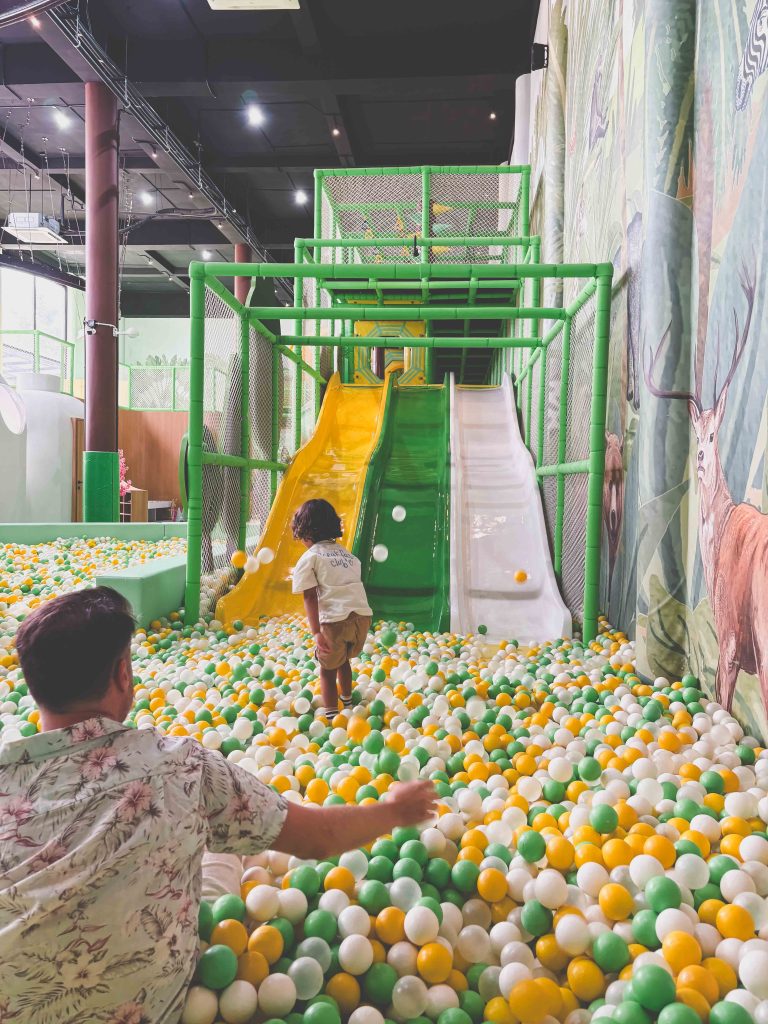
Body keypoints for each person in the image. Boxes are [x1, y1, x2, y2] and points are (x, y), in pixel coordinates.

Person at [0, 587, 437, 1024]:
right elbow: (316, 839)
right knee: (221, 839)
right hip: (151, 1008)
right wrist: (396, 810)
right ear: (123, 674)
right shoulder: (181, 767)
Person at [291, 498, 373, 719]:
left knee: (327, 670)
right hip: (362, 618)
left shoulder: (311, 557)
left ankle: (331, 716)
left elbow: (309, 596)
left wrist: (316, 631)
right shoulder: (348, 555)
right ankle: (347, 700)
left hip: (335, 622)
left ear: (306, 533)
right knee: (343, 659)